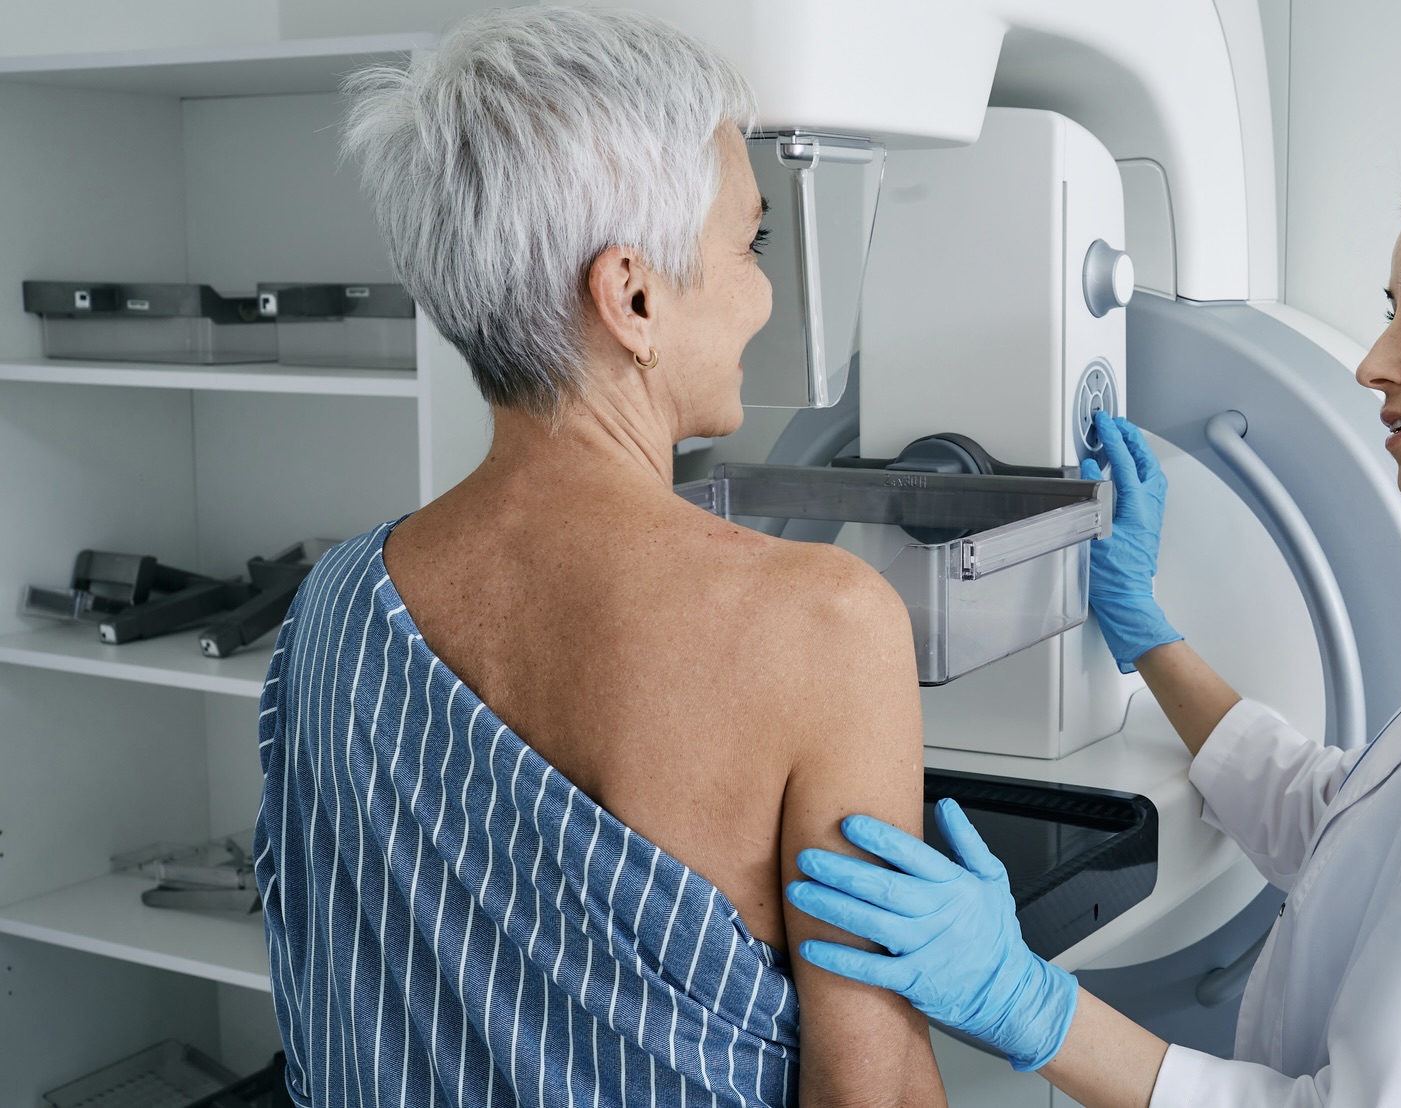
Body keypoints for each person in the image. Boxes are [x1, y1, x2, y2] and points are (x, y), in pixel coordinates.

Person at [787, 135, 1401, 1106]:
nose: (1376, 362)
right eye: (1393, 311)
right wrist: (1143, 628)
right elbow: (1350, 835)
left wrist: (1028, 1002)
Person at [253, 9, 943, 1106]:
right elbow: (875, 1092)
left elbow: (318, 986)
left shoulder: (333, 604)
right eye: (750, 245)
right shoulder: (826, 624)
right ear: (632, 295)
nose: (764, 292)